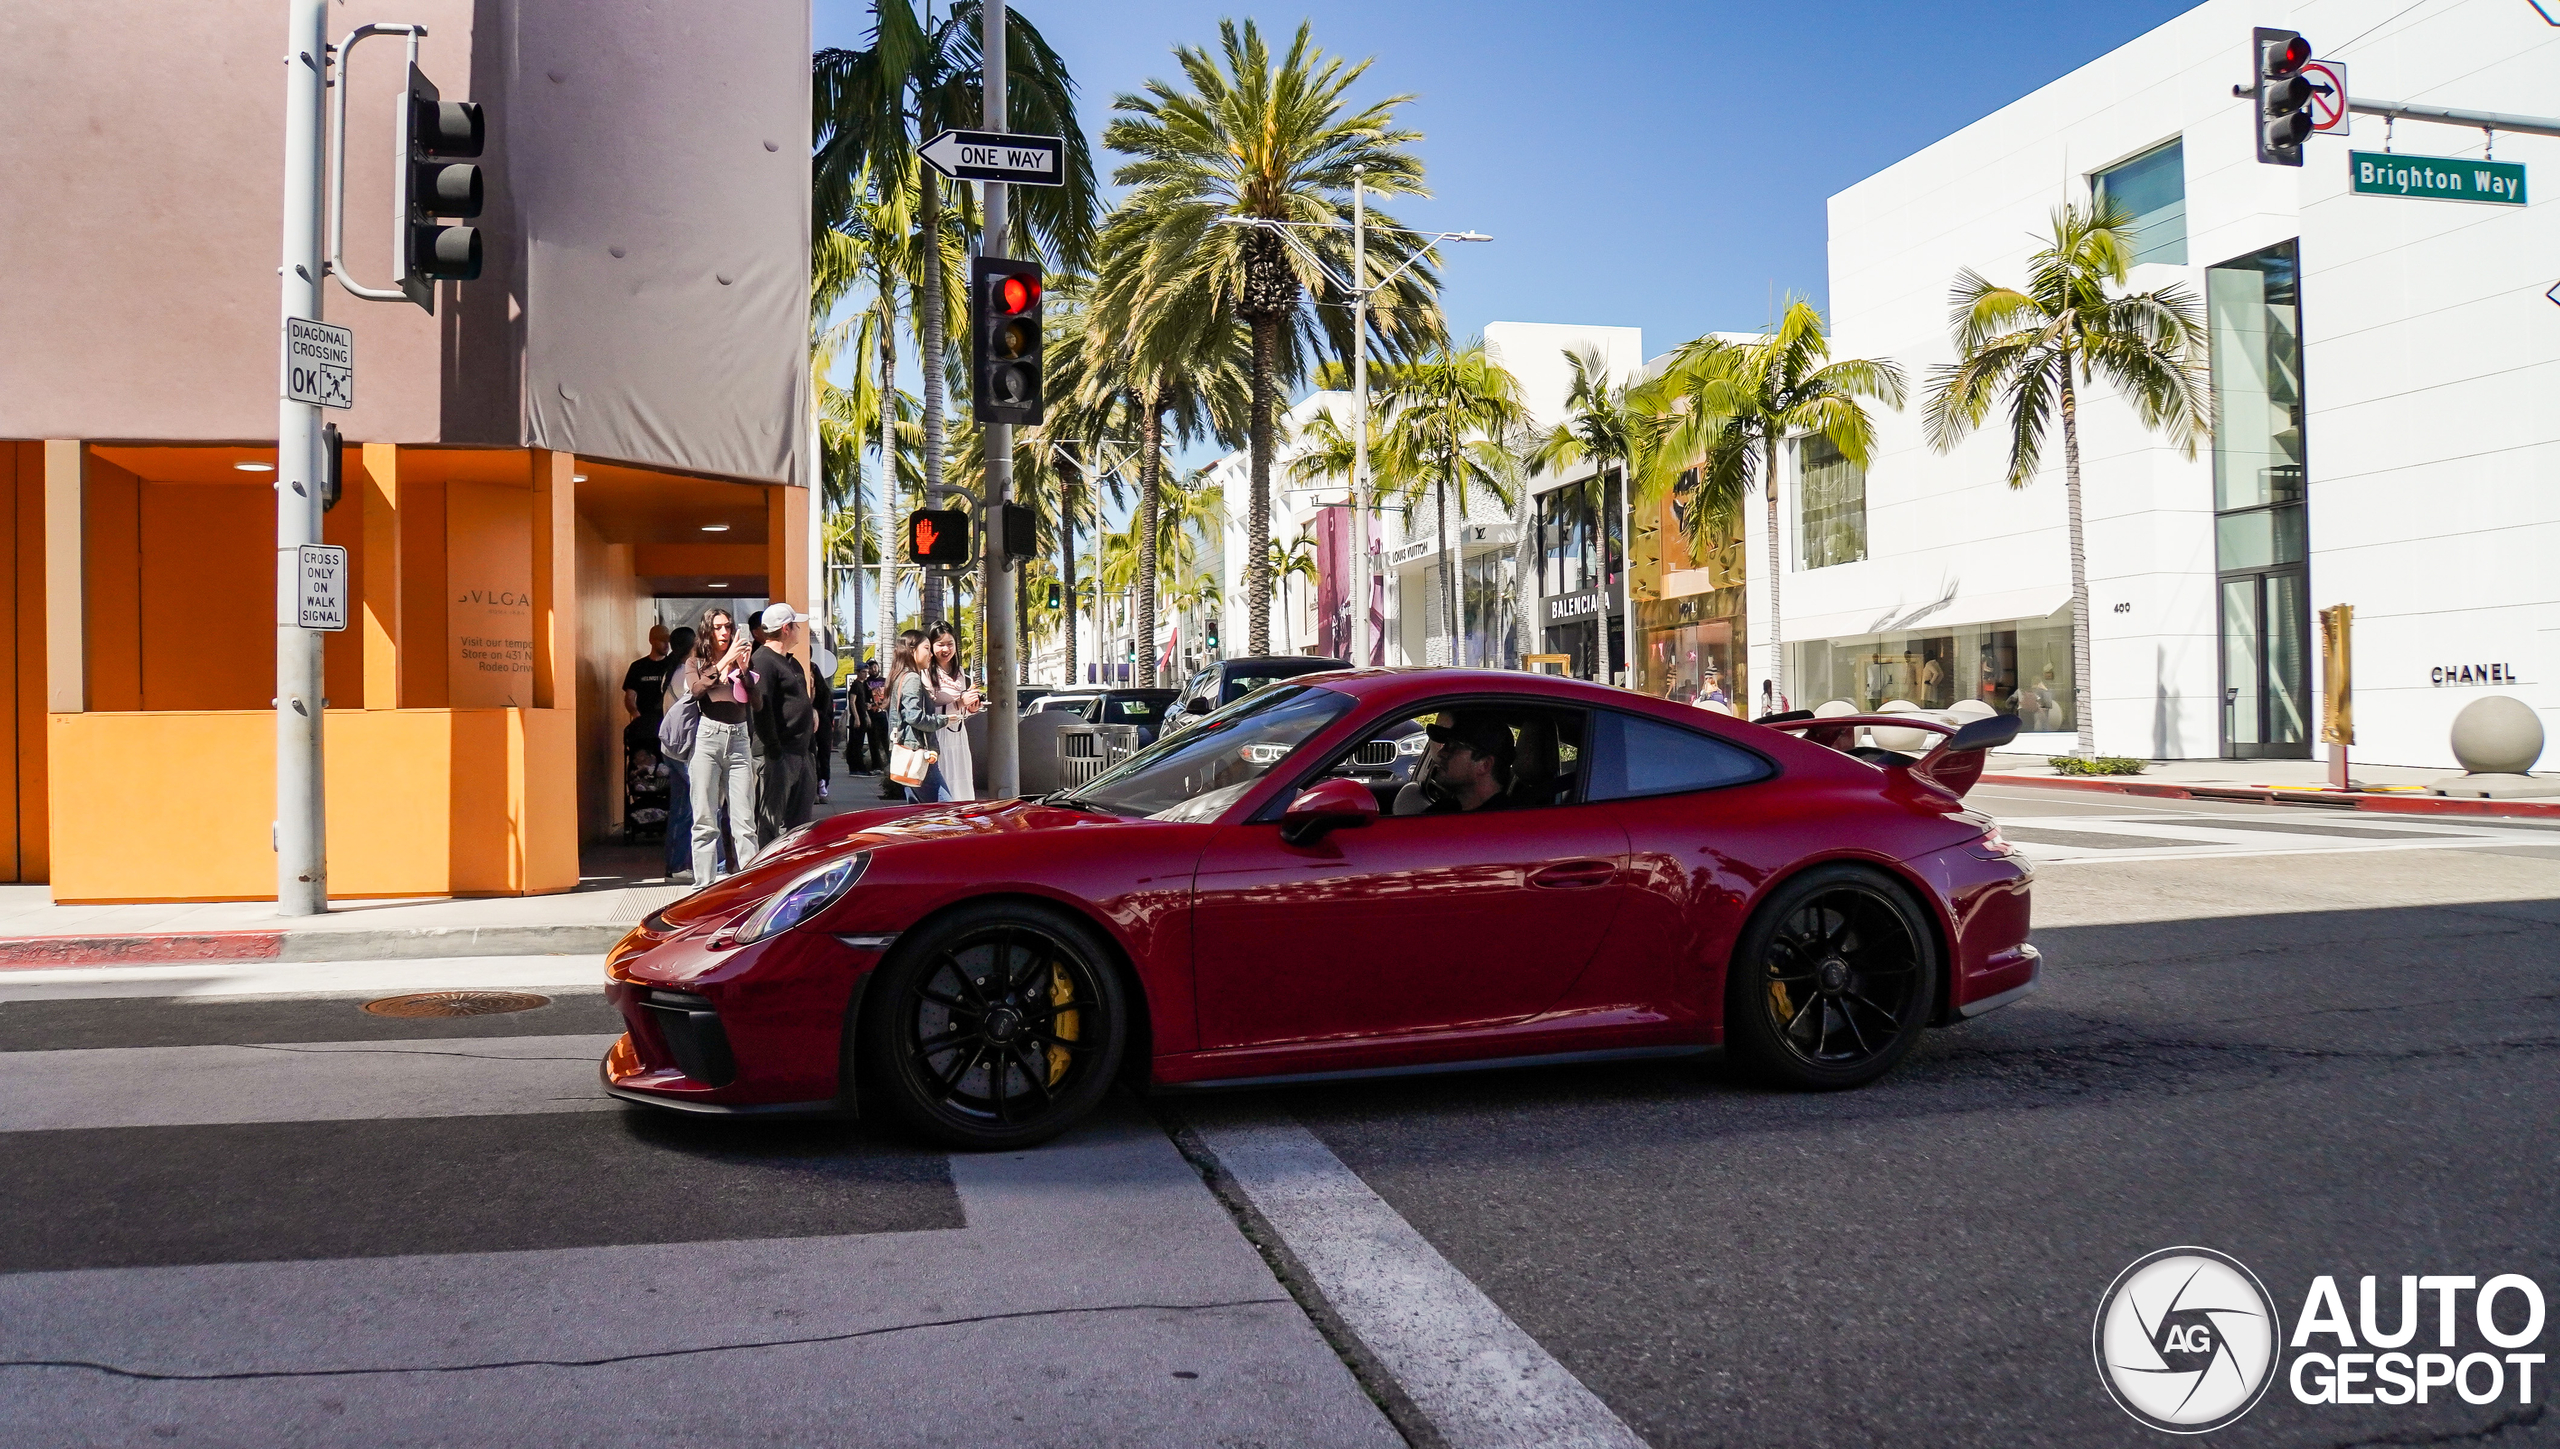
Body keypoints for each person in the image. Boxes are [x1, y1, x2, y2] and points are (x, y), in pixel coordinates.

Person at [679, 607, 758, 883]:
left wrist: (745, 669)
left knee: (744, 822)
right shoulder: (696, 663)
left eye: (728, 626)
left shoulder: (741, 661)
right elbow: (696, 692)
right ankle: (704, 886)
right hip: (708, 739)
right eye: (718, 627)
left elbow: (756, 703)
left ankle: (751, 887)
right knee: (704, 821)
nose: (724, 632)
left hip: (739, 739)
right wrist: (724, 664)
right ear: (707, 631)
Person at [751, 602, 818, 838]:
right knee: (770, 821)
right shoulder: (762, 661)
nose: (801, 629)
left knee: (800, 826)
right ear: (787, 628)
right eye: (797, 625)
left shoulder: (791, 662)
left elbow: (800, 700)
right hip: (778, 754)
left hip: (801, 752)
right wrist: (774, 750)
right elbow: (761, 707)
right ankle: (767, 870)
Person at [888, 629, 976, 803]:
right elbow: (913, 716)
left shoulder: (900, 675)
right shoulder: (912, 677)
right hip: (919, 752)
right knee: (946, 809)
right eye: (927, 648)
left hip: (908, 752)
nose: (930, 654)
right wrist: (943, 720)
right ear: (913, 651)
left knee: (919, 811)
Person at [1416, 711, 1515, 814]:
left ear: (1484, 764)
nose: (1441, 753)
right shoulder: (1445, 809)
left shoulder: (1503, 823)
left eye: (1453, 747)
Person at [926, 622, 980, 802]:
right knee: (944, 783)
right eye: (940, 644)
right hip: (938, 735)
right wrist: (958, 704)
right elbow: (928, 709)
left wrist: (971, 708)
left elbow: (963, 709)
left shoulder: (960, 673)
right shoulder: (926, 673)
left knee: (961, 782)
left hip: (958, 735)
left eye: (950, 644)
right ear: (931, 646)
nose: (946, 649)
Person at [658, 624, 696, 881]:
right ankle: (711, 867)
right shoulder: (684, 673)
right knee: (704, 805)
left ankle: (676, 866)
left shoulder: (671, 671)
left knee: (682, 807)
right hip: (685, 748)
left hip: (671, 747)